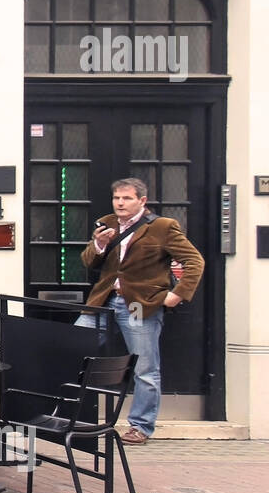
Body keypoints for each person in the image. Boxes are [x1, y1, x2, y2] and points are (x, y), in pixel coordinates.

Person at [79, 177, 204, 445]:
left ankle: (140, 427)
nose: (120, 203)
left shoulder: (162, 228)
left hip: (137, 304)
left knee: (145, 367)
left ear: (142, 201)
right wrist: (98, 245)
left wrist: (176, 295)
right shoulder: (107, 223)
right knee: (73, 347)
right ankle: (69, 415)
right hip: (103, 301)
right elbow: (89, 262)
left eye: (127, 198)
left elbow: (194, 261)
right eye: (117, 198)